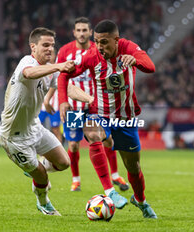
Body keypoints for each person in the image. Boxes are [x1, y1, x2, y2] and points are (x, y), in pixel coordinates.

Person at [58, 20, 157, 218]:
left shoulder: (129, 48)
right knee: (92, 132)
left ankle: (140, 200)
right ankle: (109, 190)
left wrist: (135, 60)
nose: (99, 47)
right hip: (100, 113)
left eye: (104, 42)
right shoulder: (92, 55)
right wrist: (62, 100)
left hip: (125, 118)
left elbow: (151, 67)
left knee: (134, 168)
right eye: (97, 42)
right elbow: (63, 76)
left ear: (116, 40)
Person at [0, 27, 93, 216]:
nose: (50, 49)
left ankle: (37, 168)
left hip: (34, 128)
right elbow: (30, 73)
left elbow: (69, 88)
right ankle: (43, 202)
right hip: (13, 136)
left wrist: (90, 100)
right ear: (33, 47)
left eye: (52, 45)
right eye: (45, 45)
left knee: (64, 163)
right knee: (41, 175)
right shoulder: (27, 62)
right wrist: (58, 66)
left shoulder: (51, 70)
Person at [56, 17, 129, 192]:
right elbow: (58, 76)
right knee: (73, 144)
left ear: (90, 32)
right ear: (74, 32)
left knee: (108, 139)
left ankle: (115, 175)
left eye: (84, 30)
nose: (81, 33)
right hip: (74, 107)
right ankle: (76, 180)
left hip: (96, 105)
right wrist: (56, 99)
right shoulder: (65, 51)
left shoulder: (100, 49)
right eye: (78, 30)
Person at [38, 49, 63, 143]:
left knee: (55, 129)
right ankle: (40, 151)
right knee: (36, 127)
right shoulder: (41, 68)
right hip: (41, 105)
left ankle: (59, 151)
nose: (49, 56)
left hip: (54, 105)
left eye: (52, 54)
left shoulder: (58, 69)